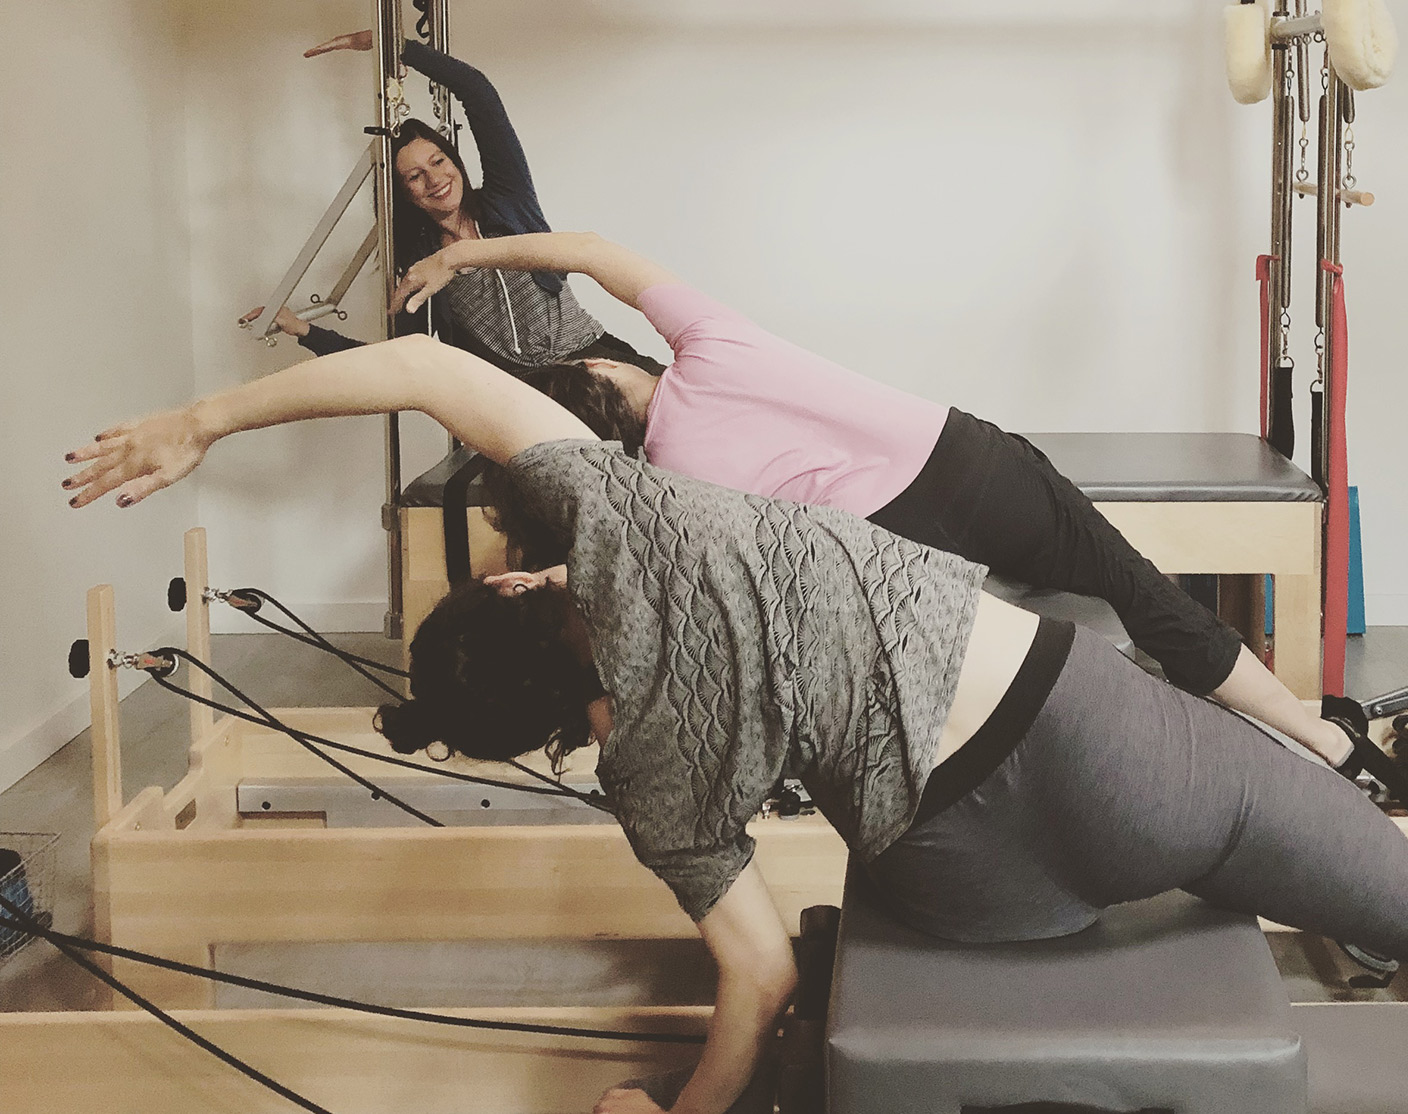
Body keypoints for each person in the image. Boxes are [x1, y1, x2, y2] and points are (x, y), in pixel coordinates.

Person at [65, 337, 1408, 1114]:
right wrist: (202, 416)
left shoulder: (649, 781)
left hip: (979, 885)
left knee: (1065, 694)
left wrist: (675, 1110)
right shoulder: (612, 502)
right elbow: (429, 372)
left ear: (539, 730)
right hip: (1104, 754)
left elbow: (751, 978)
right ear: (516, 591)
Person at [390, 231, 1355, 770]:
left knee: (1034, 677)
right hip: (975, 466)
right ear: (603, 364)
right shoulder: (713, 344)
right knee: (1140, 594)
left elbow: (629, 579)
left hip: (893, 550)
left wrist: (533, 579)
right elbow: (599, 251)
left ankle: (1175, 767)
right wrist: (468, 257)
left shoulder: (665, 488)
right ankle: (1312, 735)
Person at [239, 32, 660, 375]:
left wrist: (392, 45)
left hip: (596, 359)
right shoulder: (419, 264)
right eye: (415, 176)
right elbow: (399, 364)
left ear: (454, 161)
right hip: (521, 399)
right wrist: (302, 330)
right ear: (403, 194)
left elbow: (479, 94)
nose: (436, 179)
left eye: (438, 161)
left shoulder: (508, 201)